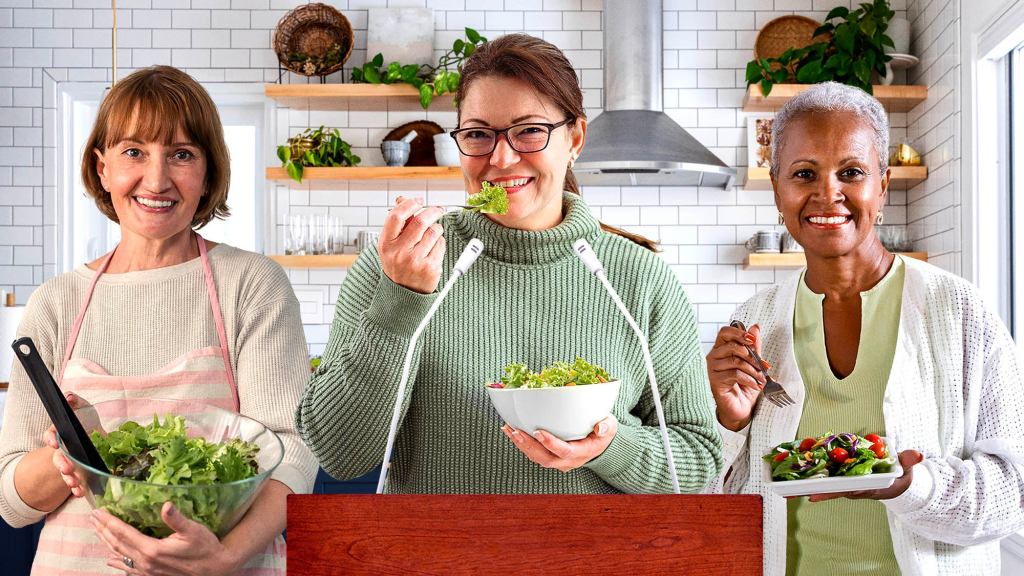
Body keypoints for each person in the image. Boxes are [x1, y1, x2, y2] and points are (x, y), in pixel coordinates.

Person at [296, 34, 722, 494]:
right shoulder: (397, 266)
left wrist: (609, 447)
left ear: (575, 138)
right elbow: (339, 454)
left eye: (529, 130)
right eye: (478, 134)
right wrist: (401, 302)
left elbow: (698, 458)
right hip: (439, 559)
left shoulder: (641, 278)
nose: (501, 158)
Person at [0, 66, 317, 575]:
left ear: (209, 173)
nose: (156, 179)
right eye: (133, 152)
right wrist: (68, 454)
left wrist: (223, 558)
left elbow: (291, 455)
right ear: (101, 168)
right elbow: (12, 503)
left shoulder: (252, 284)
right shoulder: (55, 302)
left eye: (182, 154)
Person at [705, 81, 1024, 575]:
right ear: (777, 189)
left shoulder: (959, 310)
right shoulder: (755, 324)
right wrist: (729, 421)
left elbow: (1012, 493)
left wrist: (914, 487)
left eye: (851, 172)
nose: (827, 193)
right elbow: (718, 499)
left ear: (883, 181)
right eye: (803, 173)